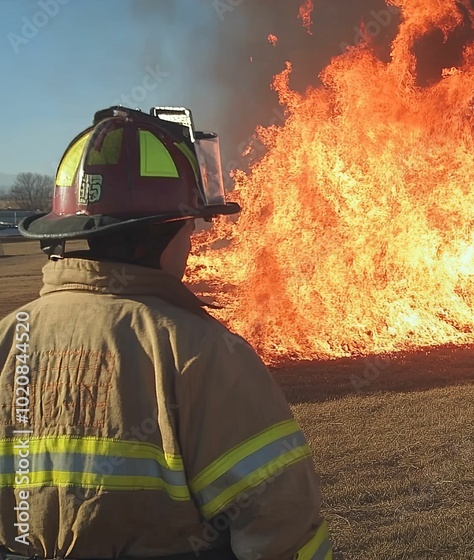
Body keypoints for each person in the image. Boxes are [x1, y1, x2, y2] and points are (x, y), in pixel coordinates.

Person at [0, 106, 333, 559]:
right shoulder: (201, 352)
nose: (193, 240)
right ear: (165, 230)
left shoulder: (7, 340)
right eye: (191, 225)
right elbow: (281, 521)